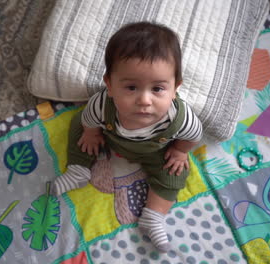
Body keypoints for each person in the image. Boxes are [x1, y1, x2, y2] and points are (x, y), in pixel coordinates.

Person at [51, 21, 203, 252]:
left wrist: (180, 150)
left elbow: (194, 135)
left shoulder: (180, 119)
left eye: (158, 89)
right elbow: (90, 121)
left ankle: (153, 216)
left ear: (175, 88)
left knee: (176, 171)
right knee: (78, 124)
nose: (144, 100)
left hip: (157, 150)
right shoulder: (102, 104)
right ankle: (78, 170)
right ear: (110, 85)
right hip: (109, 136)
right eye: (131, 87)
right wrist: (92, 134)